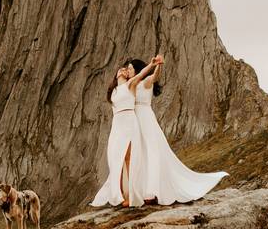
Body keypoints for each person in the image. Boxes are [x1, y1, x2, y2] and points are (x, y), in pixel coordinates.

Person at [131, 54, 228, 204]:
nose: (129, 71)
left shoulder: (145, 82)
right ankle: (140, 190)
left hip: (145, 118)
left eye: (131, 68)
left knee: (152, 151)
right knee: (141, 153)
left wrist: (158, 65)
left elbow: (155, 77)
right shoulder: (131, 84)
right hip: (135, 120)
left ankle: (152, 191)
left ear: (137, 70)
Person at [90, 59, 159, 208]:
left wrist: (152, 65)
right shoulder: (113, 91)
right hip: (117, 125)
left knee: (128, 157)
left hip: (129, 122)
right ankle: (118, 193)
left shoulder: (130, 84)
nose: (123, 70)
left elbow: (142, 74)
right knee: (115, 159)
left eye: (125, 70)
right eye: (120, 69)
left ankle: (130, 195)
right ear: (115, 75)